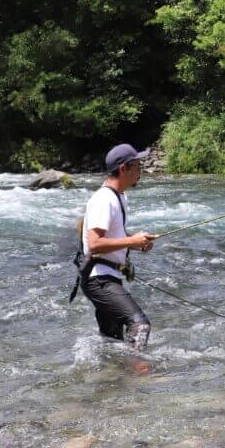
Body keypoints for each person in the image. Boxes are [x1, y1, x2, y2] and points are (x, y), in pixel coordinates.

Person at [78, 144, 158, 350]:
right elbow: (94, 244)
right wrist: (132, 241)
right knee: (140, 326)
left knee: (112, 340)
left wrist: (137, 242)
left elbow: (113, 235)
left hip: (108, 277)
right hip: (98, 279)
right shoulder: (104, 199)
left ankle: (113, 376)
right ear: (123, 169)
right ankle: (139, 372)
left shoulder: (119, 197)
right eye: (137, 166)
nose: (140, 170)